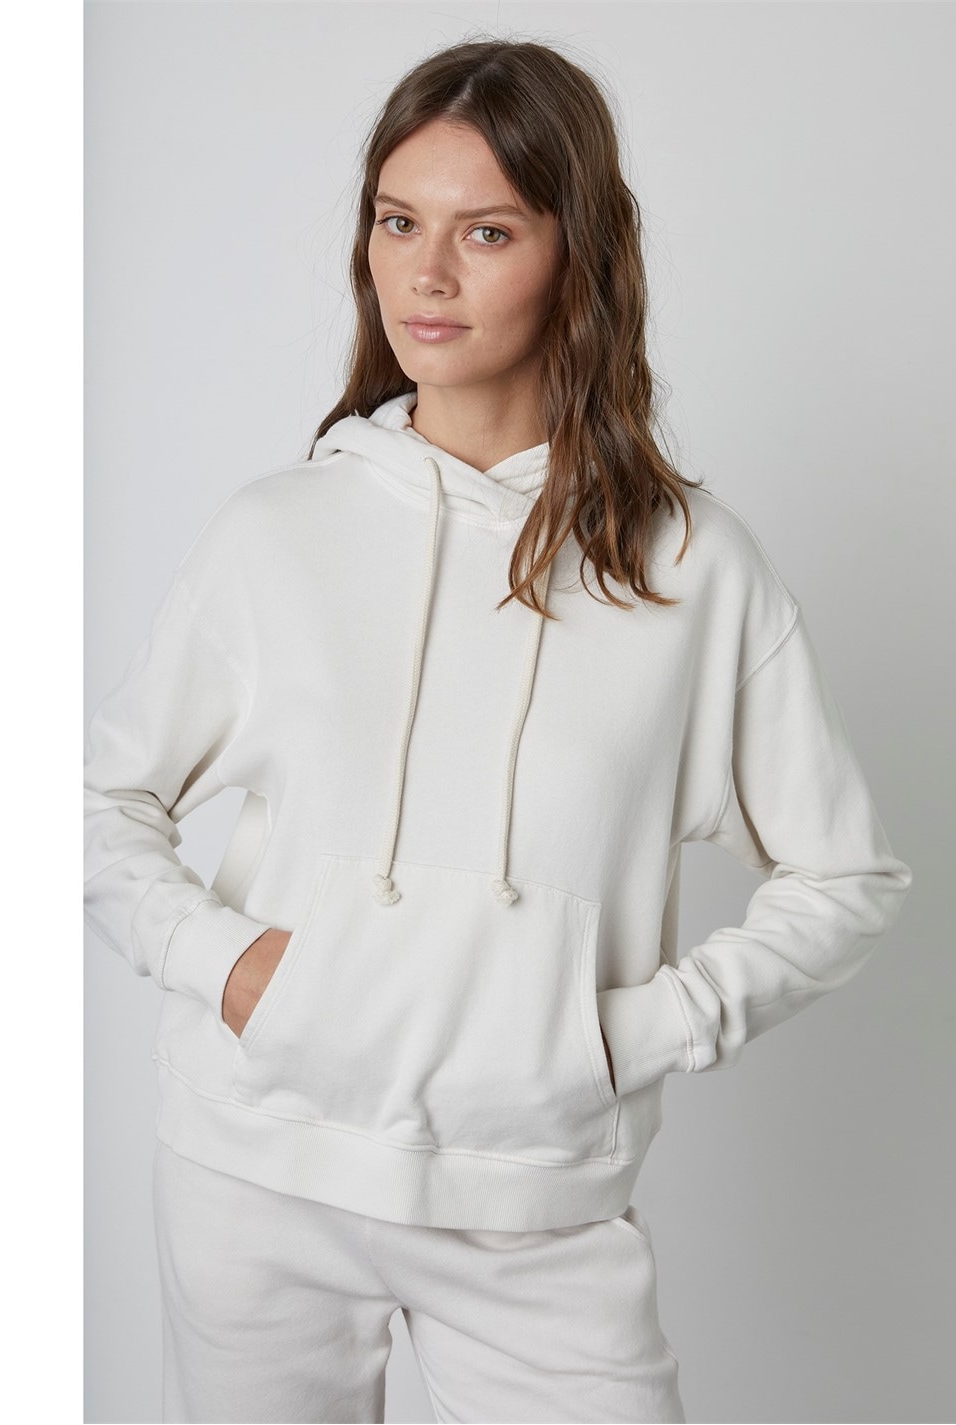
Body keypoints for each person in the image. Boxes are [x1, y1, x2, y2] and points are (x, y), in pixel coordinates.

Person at [83, 36, 913, 1425]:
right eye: (396, 222)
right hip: (258, 1173)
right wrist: (225, 966)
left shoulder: (689, 568)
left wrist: (624, 1034)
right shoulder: (277, 534)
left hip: (534, 1202)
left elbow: (846, 876)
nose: (425, 273)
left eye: (485, 231)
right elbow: (101, 804)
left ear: (577, 252)